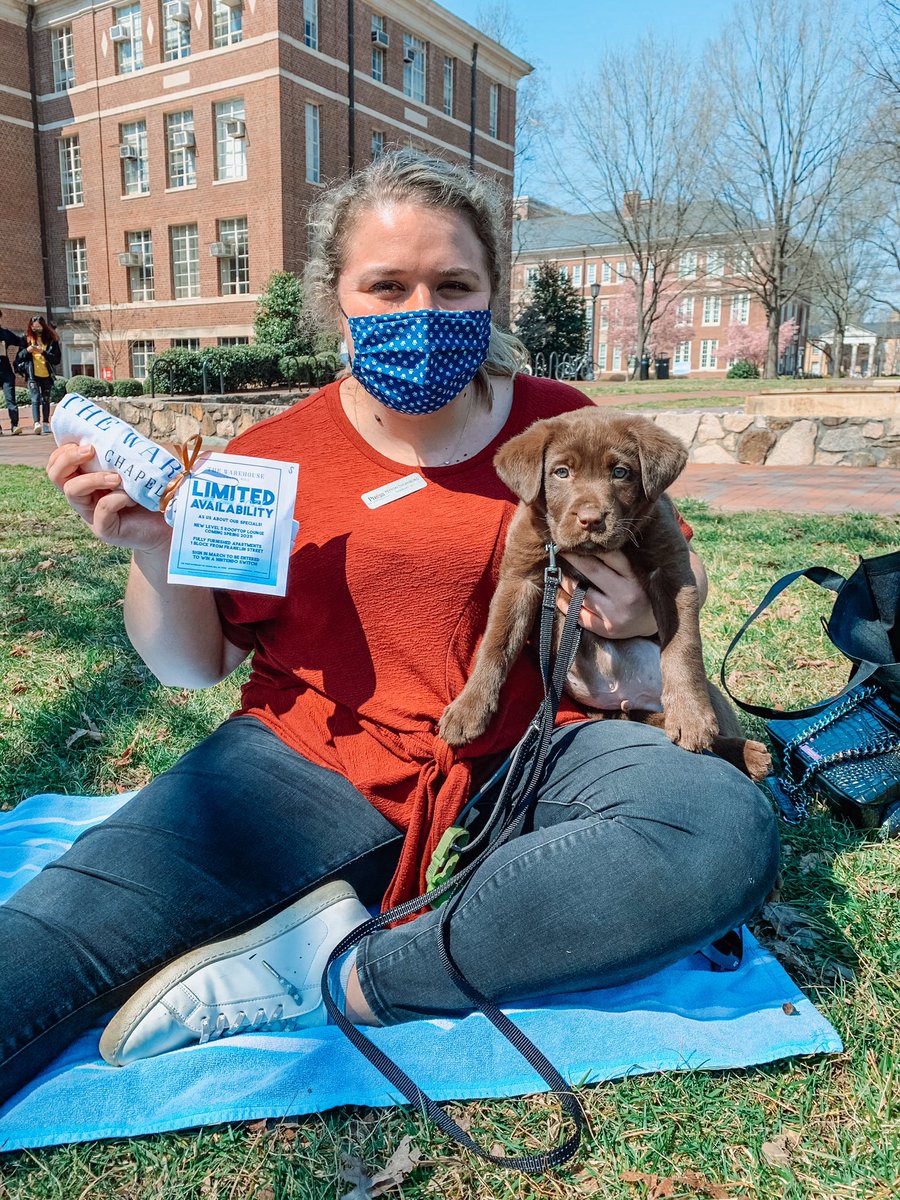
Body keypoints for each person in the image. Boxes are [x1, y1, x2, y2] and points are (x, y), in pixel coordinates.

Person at [0, 152, 779, 1108]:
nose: (422, 311)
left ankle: (353, 973)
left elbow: (675, 566)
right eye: (387, 286)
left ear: (494, 296)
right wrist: (156, 552)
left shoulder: (562, 425)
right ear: (337, 302)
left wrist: (642, 614)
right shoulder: (269, 458)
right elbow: (189, 664)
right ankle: (396, 911)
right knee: (65, 927)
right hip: (304, 763)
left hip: (540, 751)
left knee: (715, 828)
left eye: (454, 286)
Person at [20, 314, 61, 434]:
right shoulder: (26, 339)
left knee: (46, 399)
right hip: (32, 374)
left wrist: (43, 352)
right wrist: (27, 351)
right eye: (34, 328)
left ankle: (45, 423)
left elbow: (56, 359)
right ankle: (36, 422)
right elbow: (19, 357)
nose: (36, 330)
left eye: (39, 327)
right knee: (35, 398)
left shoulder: (51, 340)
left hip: (46, 374)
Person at [0, 312, 24, 435]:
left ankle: (14, 425)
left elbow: (20, 341)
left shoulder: (4, 334)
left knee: (11, 400)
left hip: (5, 372)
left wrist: (19, 360)